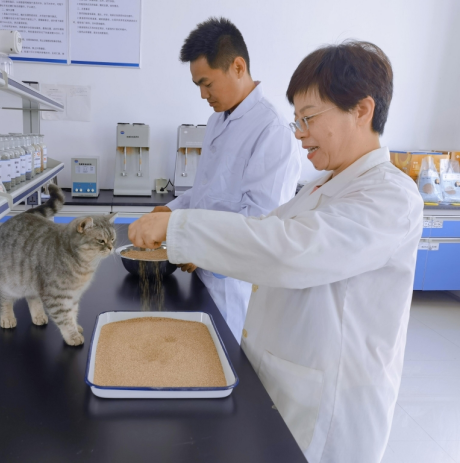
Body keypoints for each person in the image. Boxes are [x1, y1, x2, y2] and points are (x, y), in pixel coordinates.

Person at [129, 41, 422, 463]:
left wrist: (179, 228)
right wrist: (179, 222)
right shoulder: (322, 185)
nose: (299, 132)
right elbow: (265, 229)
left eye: (309, 118)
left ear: (361, 110)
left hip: (330, 404)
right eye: (296, 119)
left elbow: (289, 251)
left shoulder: (391, 197)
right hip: (284, 380)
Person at [155, 17, 301, 342]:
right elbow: (205, 193)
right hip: (203, 277)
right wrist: (169, 212)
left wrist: (199, 246)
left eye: (207, 83)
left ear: (237, 67)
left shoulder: (272, 131)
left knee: (228, 359)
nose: (203, 94)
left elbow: (260, 227)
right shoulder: (217, 121)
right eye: (198, 86)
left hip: (235, 288)